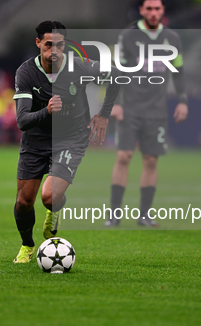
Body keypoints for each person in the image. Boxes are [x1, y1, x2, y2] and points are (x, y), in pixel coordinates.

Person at [12, 20, 120, 263]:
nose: (54, 51)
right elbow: (22, 121)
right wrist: (46, 112)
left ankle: (54, 209)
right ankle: (27, 245)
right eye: (49, 45)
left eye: (60, 45)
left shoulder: (78, 66)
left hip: (70, 138)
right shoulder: (26, 72)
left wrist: (104, 115)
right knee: (24, 201)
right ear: (38, 43)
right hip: (36, 140)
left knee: (49, 196)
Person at [106, 0, 188, 228]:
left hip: (156, 110)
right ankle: (114, 216)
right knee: (124, 156)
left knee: (151, 160)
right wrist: (116, 103)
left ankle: (144, 215)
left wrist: (182, 100)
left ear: (163, 11)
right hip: (130, 107)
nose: (153, 13)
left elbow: (179, 72)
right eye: (149, 8)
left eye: (157, 8)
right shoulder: (128, 37)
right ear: (141, 10)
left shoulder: (172, 38)